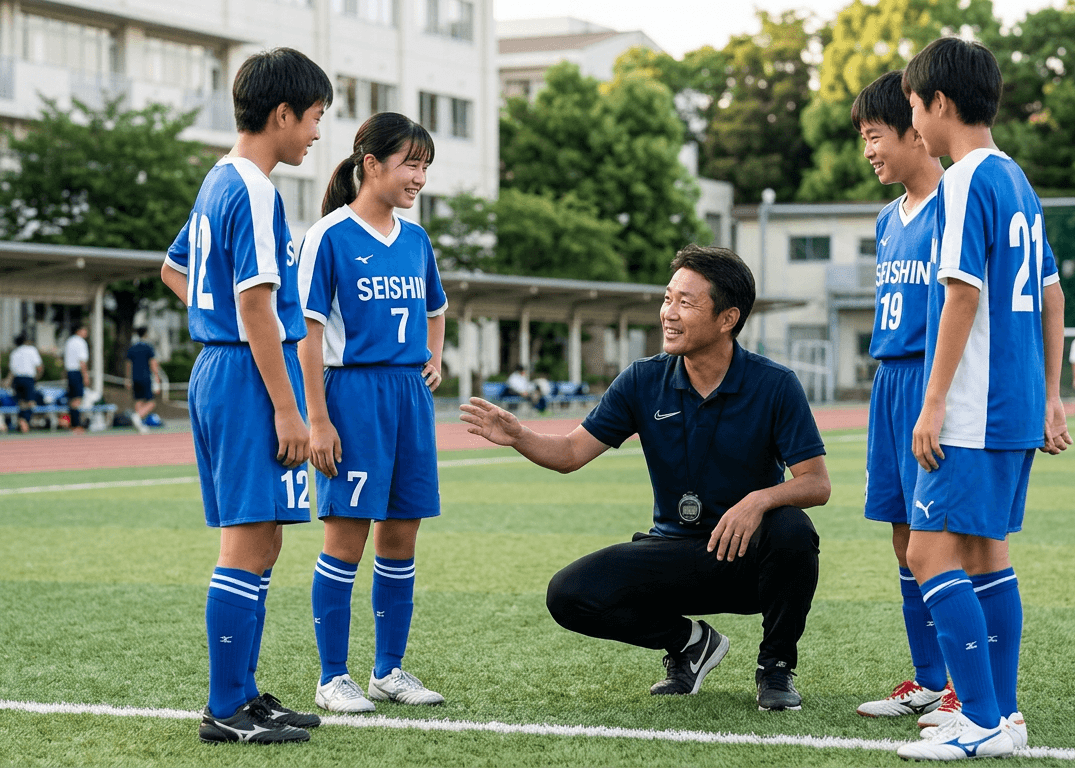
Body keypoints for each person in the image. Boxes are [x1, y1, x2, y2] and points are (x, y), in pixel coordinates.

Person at [461, 244, 830, 712]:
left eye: (685, 303)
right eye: (667, 298)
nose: (668, 314)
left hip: (746, 560)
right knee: (569, 594)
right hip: (673, 552)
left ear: (727, 318)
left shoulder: (774, 384)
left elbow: (816, 483)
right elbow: (571, 452)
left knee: (793, 530)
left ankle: (775, 667)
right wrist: (520, 436)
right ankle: (690, 644)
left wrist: (758, 501)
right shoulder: (642, 380)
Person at [900, 37, 1071, 760]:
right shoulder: (1015, 178)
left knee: (928, 554)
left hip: (974, 407)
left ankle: (979, 721)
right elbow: (1053, 293)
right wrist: (1052, 396)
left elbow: (962, 295)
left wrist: (934, 401)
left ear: (939, 103)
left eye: (914, 107)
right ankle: (1003, 716)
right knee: (983, 555)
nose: (913, 123)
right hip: (1015, 403)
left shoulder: (965, 180)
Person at [161, 46, 332, 745]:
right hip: (249, 376)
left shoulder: (219, 179)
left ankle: (243, 695)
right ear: (282, 113)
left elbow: (174, 269)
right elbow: (256, 305)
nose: (317, 132)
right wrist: (289, 407)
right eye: (313, 117)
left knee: (264, 540)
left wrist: (214, 321)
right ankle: (225, 707)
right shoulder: (256, 190)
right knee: (246, 541)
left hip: (228, 365)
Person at [299, 112, 449, 713]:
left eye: (425, 167)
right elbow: (308, 334)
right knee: (347, 536)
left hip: (409, 398)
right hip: (352, 396)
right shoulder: (329, 236)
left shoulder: (416, 239)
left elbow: (436, 307)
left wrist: (433, 357)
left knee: (402, 535)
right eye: (410, 164)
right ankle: (332, 677)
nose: (419, 178)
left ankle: (389, 670)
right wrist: (317, 420)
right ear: (371, 164)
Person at [849, 70, 962, 725]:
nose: (868, 151)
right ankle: (928, 679)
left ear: (916, 130)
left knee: (941, 539)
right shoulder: (888, 218)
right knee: (902, 535)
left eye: (875, 135)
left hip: (931, 381)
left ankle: (965, 687)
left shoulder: (958, 203)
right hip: (888, 383)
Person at [125, 327, 161, 434]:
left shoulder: (132, 347)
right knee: (151, 402)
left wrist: (127, 379)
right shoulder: (148, 347)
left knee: (139, 400)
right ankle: (137, 416)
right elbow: (153, 363)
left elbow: (128, 364)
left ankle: (139, 425)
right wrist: (156, 377)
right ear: (146, 334)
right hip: (145, 377)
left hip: (134, 378)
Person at [9, 334, 44, 433]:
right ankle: (25, 421)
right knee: (30, 402)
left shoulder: (14, 353)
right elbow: (39, 366)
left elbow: (12, 370)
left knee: (21, 403)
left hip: (17, 379)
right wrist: (37, 377)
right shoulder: (31, 350)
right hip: (28, 378)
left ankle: (22, 421)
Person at [64, 325, 91, 433]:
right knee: (77, 399)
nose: (86, 332)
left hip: (69, 372)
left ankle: (72, 424)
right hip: (76, 372)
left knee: (72, 399)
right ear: (78, 330)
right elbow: (82, 361)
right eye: (84, 330)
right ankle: (76, 425)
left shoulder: (69, 341)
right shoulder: (81, 342)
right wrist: (85, 375)